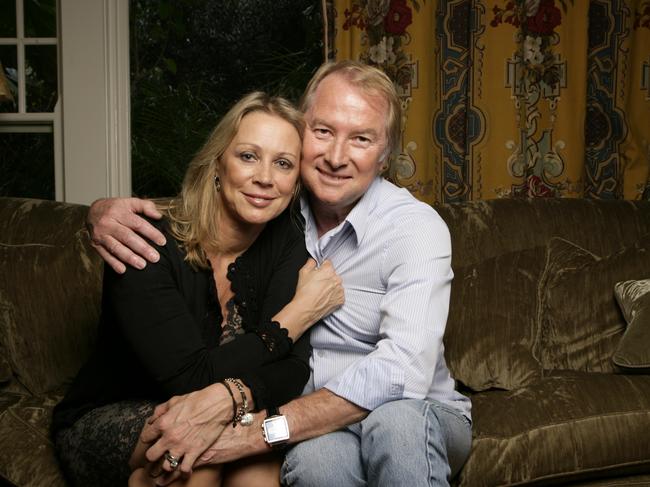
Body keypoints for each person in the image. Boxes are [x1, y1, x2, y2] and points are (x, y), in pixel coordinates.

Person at [86, 61, 473, 486]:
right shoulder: (279, 212)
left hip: (412, 411)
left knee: (394, 425)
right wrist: (103, 212)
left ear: (384, 157)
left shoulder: (414, 229)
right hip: (320, 427)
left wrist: (260, 432)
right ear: (303, 135)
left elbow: (404, 372)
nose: (337, 157)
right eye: (323, 132)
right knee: (316, 465)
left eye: (361, 139)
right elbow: (206, 206)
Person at [51, 91, 344, 487]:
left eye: (283, 163)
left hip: (224, 408)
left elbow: (292, 369)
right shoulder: (145, 242)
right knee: (196, 461)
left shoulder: (287, 241)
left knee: (256, 467)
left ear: (295, 183)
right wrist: (299, 313)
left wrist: (232, 401)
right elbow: (190, 379)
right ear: (218, 163)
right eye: (248, 156)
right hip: (113, 411)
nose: (265, 177)